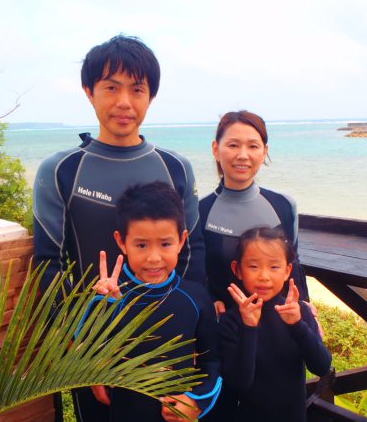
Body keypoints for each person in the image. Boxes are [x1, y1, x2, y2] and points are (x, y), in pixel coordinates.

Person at [33, 35, 206, 421]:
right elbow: (49, 264)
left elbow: (193, 258)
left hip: (169, 345)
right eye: (111, 88)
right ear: (89, 92)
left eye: (137, 89)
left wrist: (195, 341)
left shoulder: (175, 168)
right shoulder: (61, 170)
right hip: (93, 346)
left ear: (151, 96)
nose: (124, 102)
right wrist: (83, 348)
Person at [81, 181, 221, 422]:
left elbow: (212, 361)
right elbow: (85, 350)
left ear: (181, 240)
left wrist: (197, 402)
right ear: (121, 242)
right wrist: (102, 305)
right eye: (142, 245)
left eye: (165, 244)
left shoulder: (196, 298)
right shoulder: (109, 295)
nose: (154, 258)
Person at [199, 110, 309, 315]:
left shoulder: (284, 205)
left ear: (264, 151)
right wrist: (207, 300)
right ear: (216, 149)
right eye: (233, 145)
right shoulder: (199, 211)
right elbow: (193, 273)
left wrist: (305, 310)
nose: (243, 155)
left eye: (253, 146)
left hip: (277, 324)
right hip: (223, 325)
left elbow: (293, 266)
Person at [219, 226, 332, 422]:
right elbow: (239, 383)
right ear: (237, 270)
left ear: (288, 270)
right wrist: (249, 327)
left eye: (274, 267)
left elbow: (322, 366)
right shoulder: (231, 321)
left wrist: (297, 325)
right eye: (253, 266)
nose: (264, 276)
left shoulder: (298, 312)